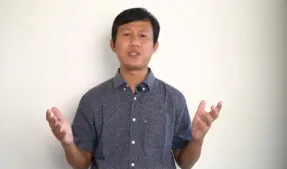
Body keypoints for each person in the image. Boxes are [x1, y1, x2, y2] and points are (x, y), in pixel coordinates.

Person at [46, 7, 222, 169]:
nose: (134, 42)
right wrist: (67, 143)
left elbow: (184, 162)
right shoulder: (92, 100)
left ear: (155, 47)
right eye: (127, 34)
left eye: (143, 35)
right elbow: (81, 163)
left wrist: (198, 139)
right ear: (113, 45)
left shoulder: (174, 99)